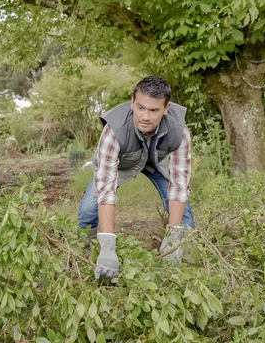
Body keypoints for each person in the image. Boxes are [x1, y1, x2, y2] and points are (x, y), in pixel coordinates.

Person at [77, 76, 195, 280]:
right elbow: (105, 190)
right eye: (140, 108)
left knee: (185, 219)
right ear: (132, 103)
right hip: (125, 162)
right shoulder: (114, 131)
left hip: (158, 161)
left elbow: (179, 185)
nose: (145, 117)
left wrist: (174, 236)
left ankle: (184, 266)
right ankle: (89, 257)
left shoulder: (179, 132)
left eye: (154, 110)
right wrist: (108, 246)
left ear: (166, 109)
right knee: (88, 211)